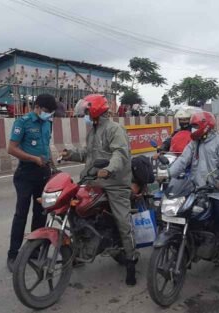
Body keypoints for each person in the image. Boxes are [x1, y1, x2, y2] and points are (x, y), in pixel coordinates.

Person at [60, 94, 137, 286]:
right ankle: (78, 250)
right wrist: (71, 154)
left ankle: (130, 261)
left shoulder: (115, 129)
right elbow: (89, 154)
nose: (84, 115)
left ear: (94, 111)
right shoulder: (93, 130)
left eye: (86, 111)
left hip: (114, 183)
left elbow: (120, 154)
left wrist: (108, 169)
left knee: (122, 221)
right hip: (93, 180)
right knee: (74, 210)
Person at [164, 111, 219, 266]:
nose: (192, 129)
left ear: (206, 126)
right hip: (197, 190)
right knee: (182, 215)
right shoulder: (194, 143)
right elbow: (182, 161)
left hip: (218, 191)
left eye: (194, 126)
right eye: (191, 126)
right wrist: (167, 174)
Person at [6, 94, 57, 272]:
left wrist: (53, 165)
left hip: (43, 172)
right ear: (37, 107)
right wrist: (33, 159)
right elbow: (11, 148)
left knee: (41, 213)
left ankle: (34, 251)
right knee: (21, 213)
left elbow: (46, 146)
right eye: (46, 111)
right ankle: (13, 255)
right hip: (26, 173)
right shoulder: (23, 122)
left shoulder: (48, 123)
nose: (48, 115)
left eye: (50, 113)